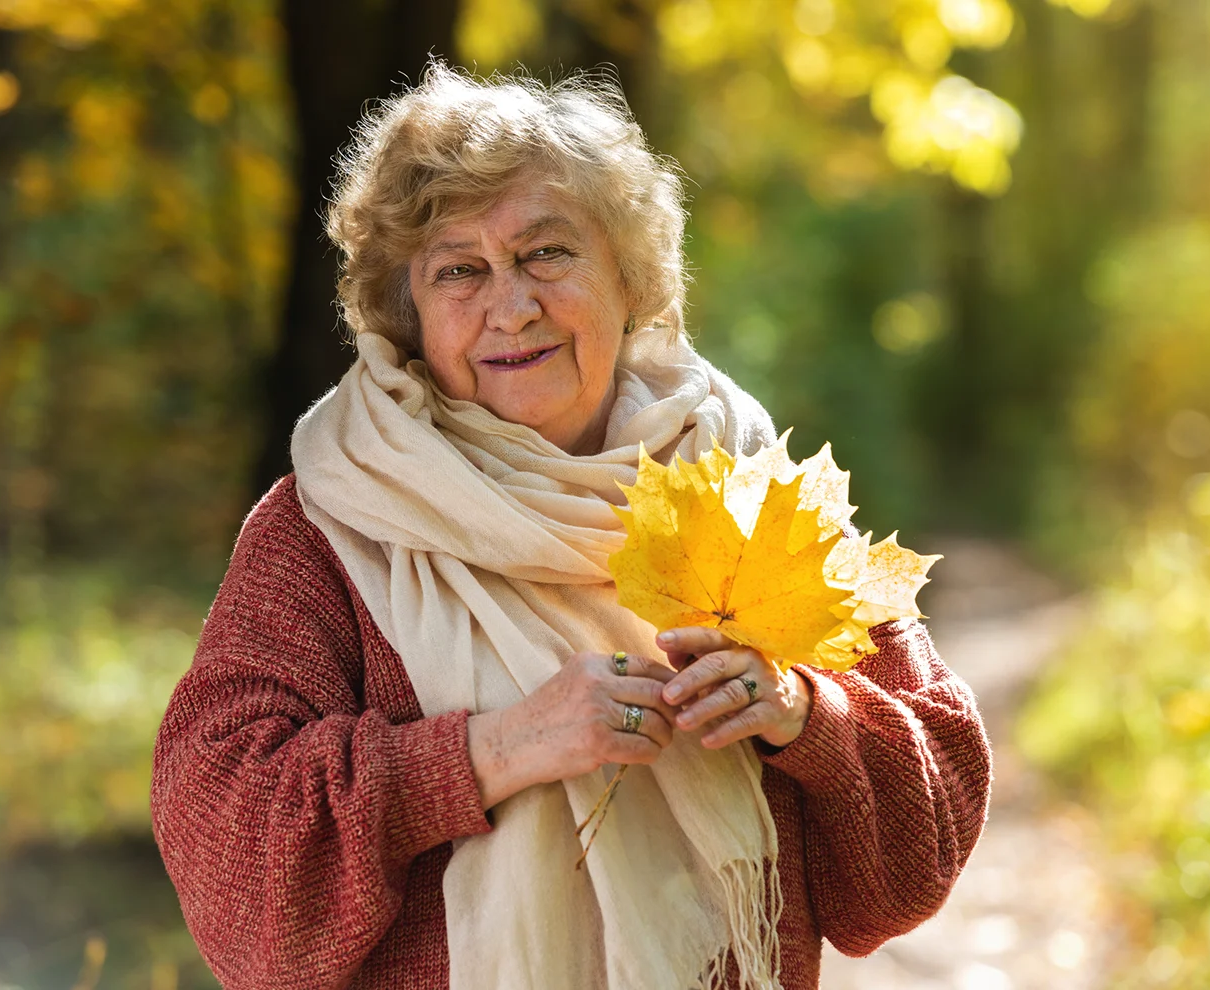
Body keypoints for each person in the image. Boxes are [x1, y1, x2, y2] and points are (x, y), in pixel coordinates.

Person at [150, 66, 991, 990]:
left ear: (629, 279)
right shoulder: (329, 524)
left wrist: (806, 715)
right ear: (410, 316)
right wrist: (493, 750)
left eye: (547, 253)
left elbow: (924, 842)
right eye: (458, 271)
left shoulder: (748, 491)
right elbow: (225, 848)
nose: (509, 307)